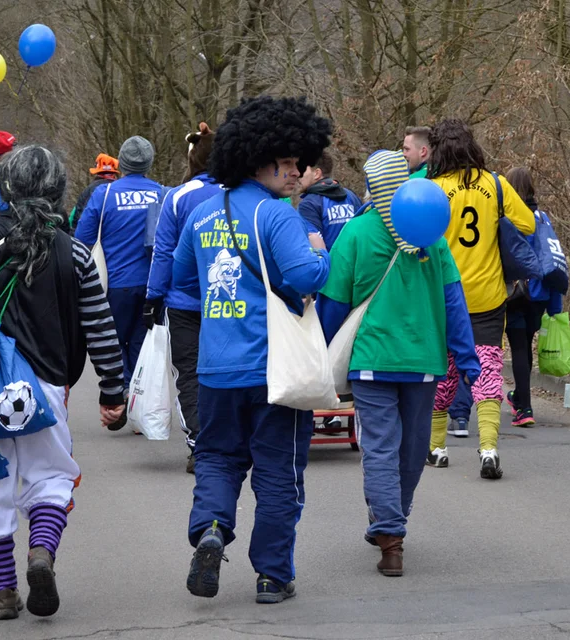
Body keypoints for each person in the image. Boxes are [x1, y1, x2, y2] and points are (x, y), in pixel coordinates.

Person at [0, 145, 126, 621]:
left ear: (3, 186)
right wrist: (112, 390)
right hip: (45, 387)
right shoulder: (73, 251)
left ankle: (3, 593)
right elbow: (100, 327)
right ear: (58, 190)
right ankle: (41, 552)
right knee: (51, 476)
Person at [173, 96, 331, 604]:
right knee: (278, 473)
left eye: (298, 162)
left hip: (216, 369)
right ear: (256, 159)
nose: (296, 171)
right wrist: (322, 258)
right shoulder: (277, 216)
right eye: (286, 162)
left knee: (217, 458)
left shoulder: (201, 215)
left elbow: (182, 280)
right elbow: (306, 277)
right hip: (273, 370)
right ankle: (271, 575)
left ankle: (212, 528)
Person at [319, 150, 479, 576]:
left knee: (380, 446)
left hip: (371, 360)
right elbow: (453, 301)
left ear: (373, 186)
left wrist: (320, 349)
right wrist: (467, 358)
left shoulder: (355, 233)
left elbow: (333, 303)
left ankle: (389, 529)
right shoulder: (432, 237)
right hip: (423, 361)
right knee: (412, 449)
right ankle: (392, 522)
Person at [425, 119, 535, 479]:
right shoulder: (496, 184)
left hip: (445, 295)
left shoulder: (434, 189)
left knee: (444, 371)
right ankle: (488, 449)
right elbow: (528, 225)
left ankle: (436, 448)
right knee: (487, 369)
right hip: (488, 296)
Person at [145, 122, 220, 473]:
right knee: (223, 372)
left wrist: (153, 296)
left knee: (188, 374)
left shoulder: (176, 196)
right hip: (229, 301)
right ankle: (229, 441)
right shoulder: (239, 193)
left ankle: (199, 444)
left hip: (184, 301)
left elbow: (163, 251)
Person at [74, 136, 164, 399]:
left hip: (114, 284)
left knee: (115, 341)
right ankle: (138, 396)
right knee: (141, 342)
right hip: (152, 285)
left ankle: (123, 391)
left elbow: (81, 239)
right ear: (149, 163)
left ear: (121, 163)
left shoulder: (104, 194)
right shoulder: (163, 193)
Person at [504, 167, 564, 427]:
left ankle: (524, 408)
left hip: (516, 291)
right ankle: (520, 397)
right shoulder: (542, 218)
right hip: (539, 293)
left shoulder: (508, 218)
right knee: (525, 344)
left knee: (518, 347)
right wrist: (554, 302)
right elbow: (553, 257)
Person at [296, 151, 362, 251]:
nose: (298, 175)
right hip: (355, 260)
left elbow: (315, 247)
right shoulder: (351, 195)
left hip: (329, 260)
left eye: (302, 170)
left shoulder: (308, 204)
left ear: (317, 173)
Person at [69, 153, 119, 232]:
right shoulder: (121, 189)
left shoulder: (89, 190)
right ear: (114, 173)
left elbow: (77, 217)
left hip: (88, 235)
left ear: (97, 171)